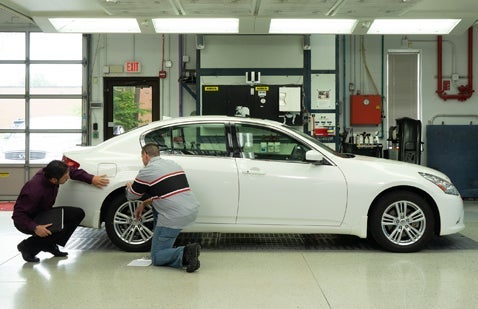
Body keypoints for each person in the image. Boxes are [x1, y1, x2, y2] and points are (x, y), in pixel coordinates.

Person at [12, 160, 110, 263]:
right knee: (56, 226)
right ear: (54, 180)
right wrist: (35, 227)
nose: (68, 177)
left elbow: (72, 171)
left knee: (77, 214)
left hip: (43, 212)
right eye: (65, 177)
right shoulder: (34, 190)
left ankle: (49, 244)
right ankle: (27, 247)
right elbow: (18, 216)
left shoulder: (53, 173)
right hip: (28, 221)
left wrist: (91, 178)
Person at [126, 143, 201, 273]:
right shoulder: (173, 164)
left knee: (156, 257)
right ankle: (177, 250)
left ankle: (185, 252)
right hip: (191, 211)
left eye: (141, 157)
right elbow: (166, 194)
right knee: (157, 204)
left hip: (173, 217)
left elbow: (132, 196)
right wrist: (144, 204)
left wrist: (128, 186)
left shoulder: (147, 171)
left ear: (145, 155)